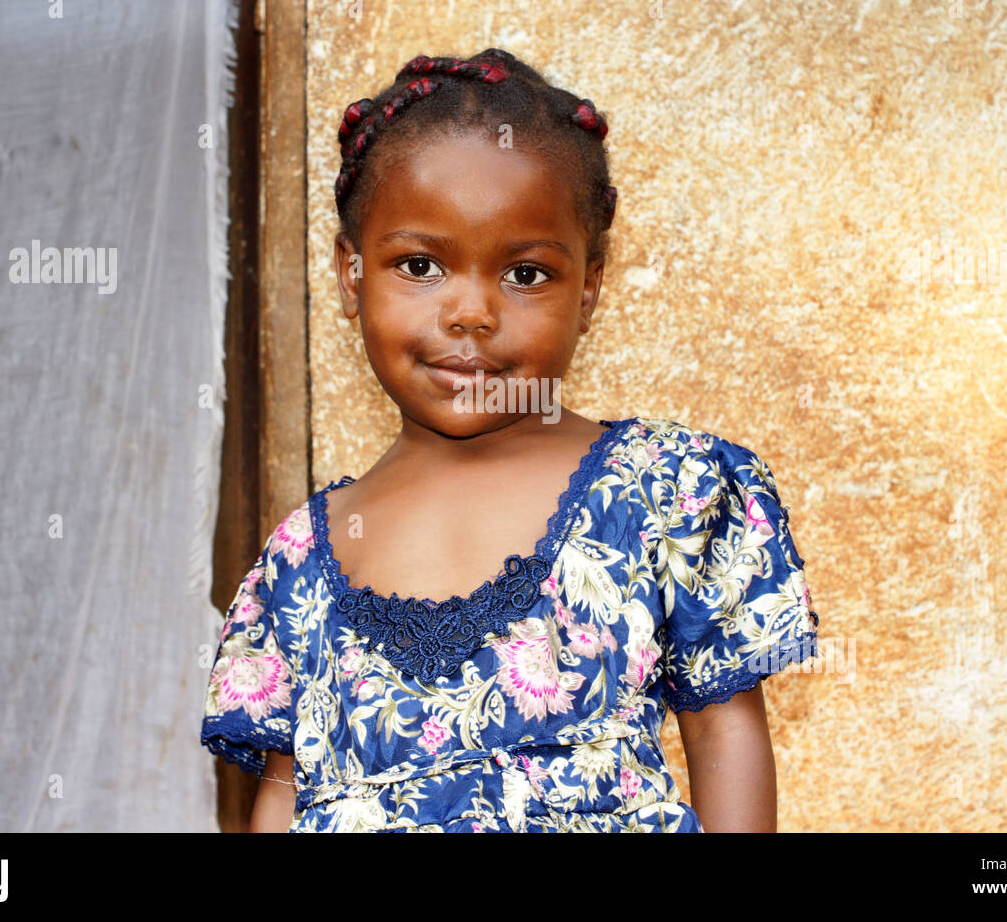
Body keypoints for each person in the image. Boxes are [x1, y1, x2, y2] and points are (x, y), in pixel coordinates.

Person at [200, 48, 820, 832]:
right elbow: (284, 796)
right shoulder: (299, 561)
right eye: (420, 265)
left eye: (525, 275)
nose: (471, 313)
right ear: (351, 275)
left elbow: (723, 733)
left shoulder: (666, 492)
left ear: (589, 288)